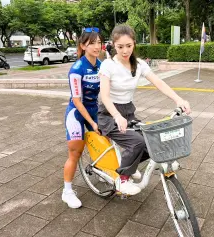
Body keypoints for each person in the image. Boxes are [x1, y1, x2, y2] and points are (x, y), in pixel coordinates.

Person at [98, 25, 191, 196]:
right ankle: (122, 179)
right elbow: (105, 96)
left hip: (128, 112)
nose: (125, 51)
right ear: (114, 45)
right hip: (108, 114)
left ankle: (129, 164)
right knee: (137, 142)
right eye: (120, 47)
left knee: (152, 143)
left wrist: (178, 99)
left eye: (129, 46)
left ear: (134, 43)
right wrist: (117, 116)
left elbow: (158, 82)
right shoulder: (108, 65)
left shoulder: (139, 64)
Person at [62, 27, 103, 208]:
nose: (96, 46)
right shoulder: (77, 69)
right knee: (76, 152)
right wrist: (92, 122)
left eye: (99, 42)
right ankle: (67, 191)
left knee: (105, 142)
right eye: (91, 43)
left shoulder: (101, 65)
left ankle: (105, 171)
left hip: (95, 109)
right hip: (77, 113)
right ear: (83, 46)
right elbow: (77, 101)